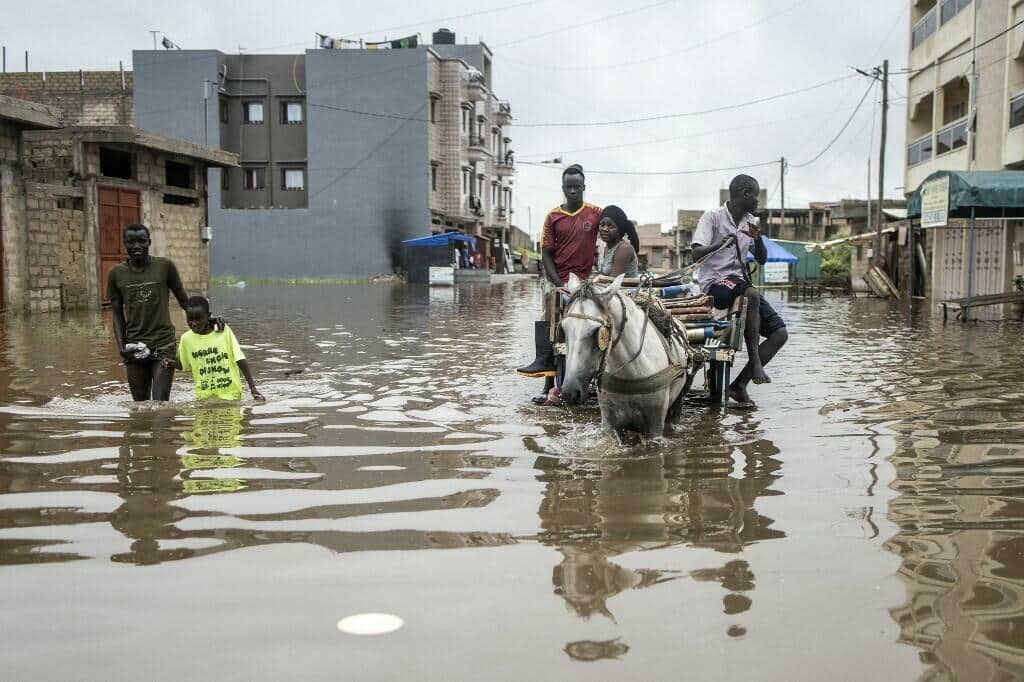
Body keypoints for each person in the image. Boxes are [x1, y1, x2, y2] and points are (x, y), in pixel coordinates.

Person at [691, 174, 788, 408]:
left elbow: (762, 259)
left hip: (739, 284)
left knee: (779, 334)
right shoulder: (712, 217)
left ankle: (738, 385)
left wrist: (759, 239)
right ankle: (756, 362)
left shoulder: (750, 221)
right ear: (744, 194)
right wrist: (720, 244)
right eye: (755, 196)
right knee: (751, 293)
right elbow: (695, 254)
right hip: (714, 284)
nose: (758, 202)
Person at [516, 164, 602, 405]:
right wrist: (558, 283)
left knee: (585, 331)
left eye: (577, 187)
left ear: (584, 187)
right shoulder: (553, 216)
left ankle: (588, 378)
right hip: (558, 280)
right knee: (552, 324)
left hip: (584, 283)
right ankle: (547, 382)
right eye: (569, 187)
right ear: (563, 189)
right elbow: (545, 254)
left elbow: (613, 225)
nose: (573, 191)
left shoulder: (596, 213)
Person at [108, 223, 220, 402]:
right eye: (131, 242)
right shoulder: (116, 274)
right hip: (134, 347)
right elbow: (117, 314)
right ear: (124, 243)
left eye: (141, 241)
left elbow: (185, 302)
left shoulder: (165, 267)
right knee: (140, 407)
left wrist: (209, 320)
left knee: (160, 407)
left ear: (149, 242)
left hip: (164, 346)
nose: (136, 246)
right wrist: (122, 348)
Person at [162, 296, 264, 402]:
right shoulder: (186, 339)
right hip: (204, 397)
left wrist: (253, 388)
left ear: (208, 316)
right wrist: (171, 363)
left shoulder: (223, 331)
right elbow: (185, 365)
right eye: (190, 319)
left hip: (231, 395)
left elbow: (240, 358)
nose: (194, 323)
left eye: (198, 319)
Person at [597, 205, 639, 277]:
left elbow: (613, 282)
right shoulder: (607, 248)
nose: (605, 229)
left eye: (611, 226)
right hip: (606, 287)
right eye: (602, 224)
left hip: (624, 288)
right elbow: (604, 275)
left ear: (620, 229)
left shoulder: (624, 248)